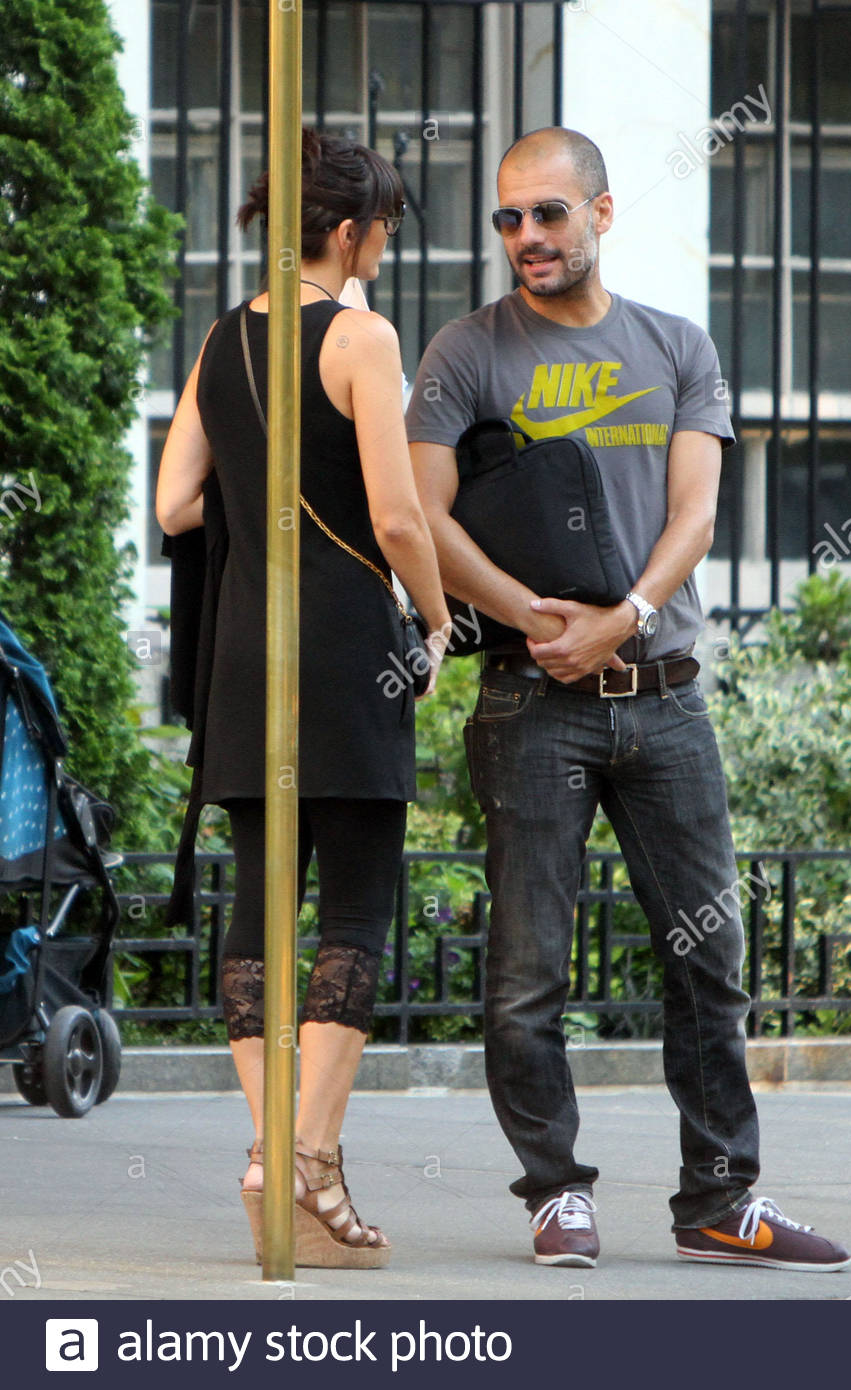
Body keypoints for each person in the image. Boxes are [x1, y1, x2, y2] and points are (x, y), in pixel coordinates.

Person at [406, 127, 850, 1272]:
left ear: (599, 215)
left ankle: (718, 1196)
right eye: (507, 219)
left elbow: (694, 516)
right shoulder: (464, 352)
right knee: (525, 973)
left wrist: (623, 616)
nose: (525, 239)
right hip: (527, 700)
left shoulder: (675, 344)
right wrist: (533, 612)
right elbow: (424, 517)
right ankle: (553, 1192)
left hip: (663, 695)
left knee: (709, 954)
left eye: (547, 215)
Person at [157, 128, 451, 1269]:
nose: (381, 246)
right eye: (380, 227)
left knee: (257, 906)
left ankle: (266, 1150)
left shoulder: (223, 338)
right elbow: (395, 517)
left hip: (242, 651)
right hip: (342, 648)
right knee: (355, 907)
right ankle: (309, 1157)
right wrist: (432, 620)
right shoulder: (363, 336)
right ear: (344, 231)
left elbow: (179, 502)